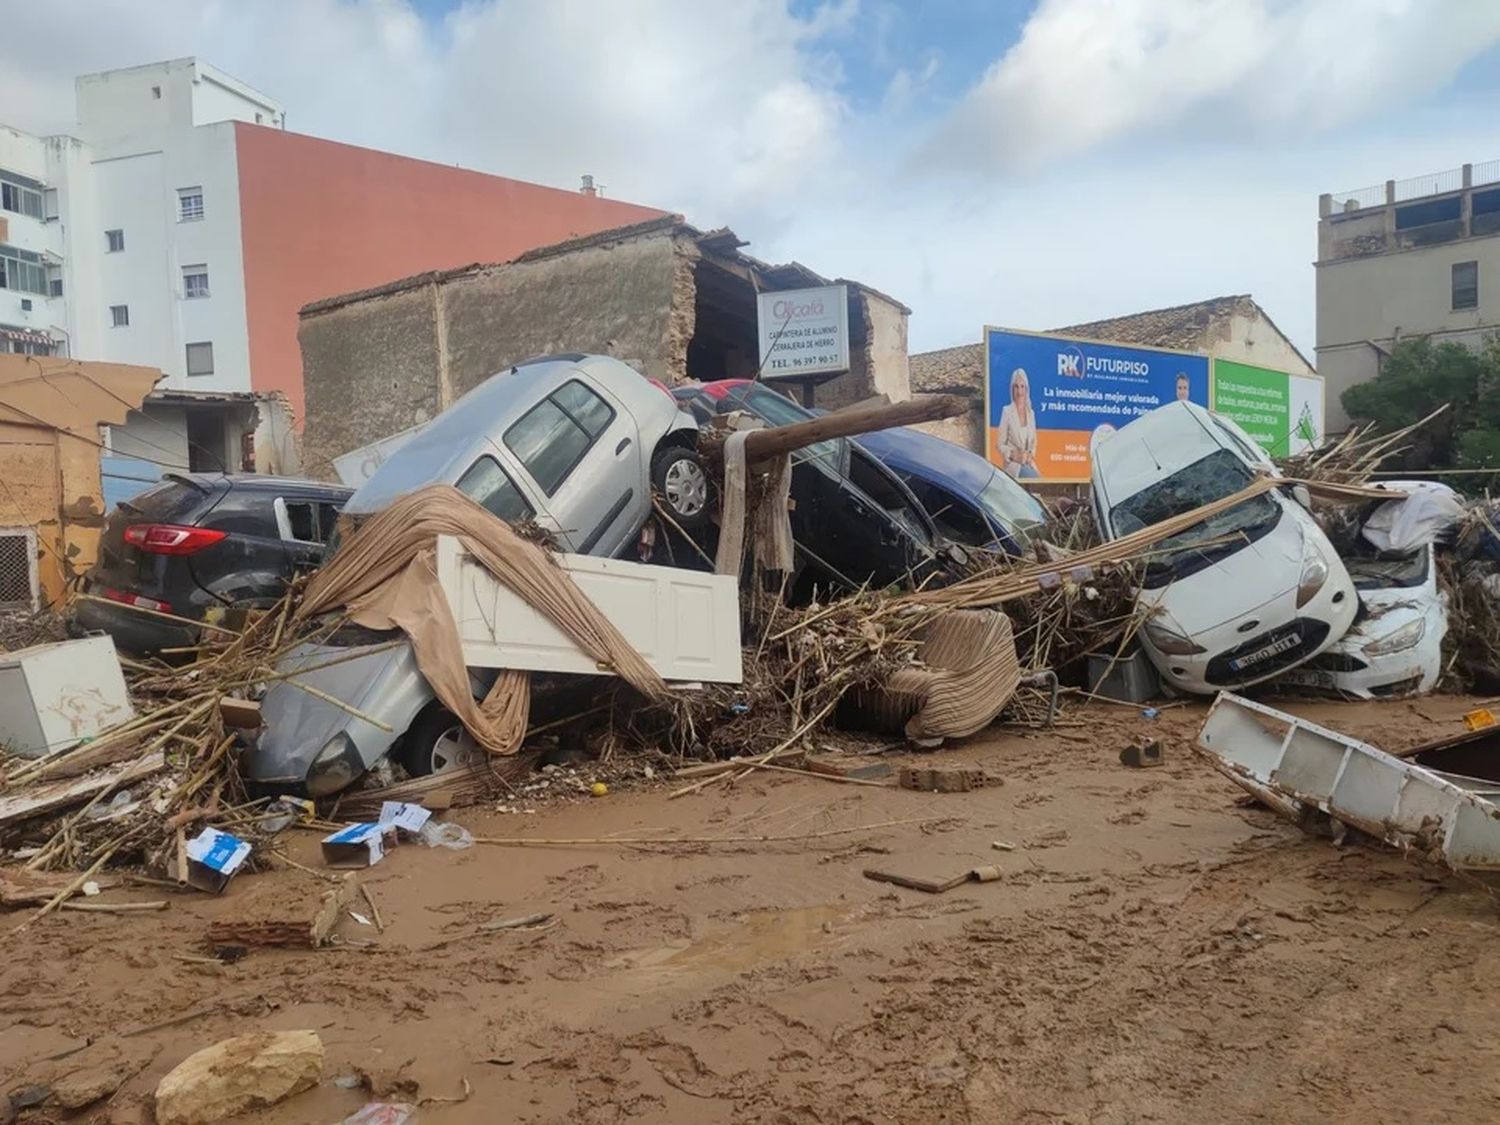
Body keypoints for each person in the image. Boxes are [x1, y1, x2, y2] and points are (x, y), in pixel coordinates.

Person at [997, 367, 1039, 479]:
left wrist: (1030, 455)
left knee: (1038, 482)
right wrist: (1012, 454)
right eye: (1016, 387)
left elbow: (1034, 443)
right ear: (1012, 389)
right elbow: (1000, 444)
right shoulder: (1007, 411)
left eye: (1022, 387)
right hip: (1013, 466)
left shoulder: (1031, 414)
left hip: (1028, 464)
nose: (1019, 392)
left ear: (1026, 389)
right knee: (1032, 478)